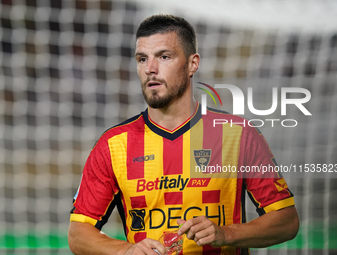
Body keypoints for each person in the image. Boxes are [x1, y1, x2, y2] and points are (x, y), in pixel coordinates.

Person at [68, 14, 299, 255]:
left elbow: (287, 221)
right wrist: (126, 251)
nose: (150, 69)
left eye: (164, 57)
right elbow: (78, 234)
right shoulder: (114, 145)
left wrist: (225, 233)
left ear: (192, 64)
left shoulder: (238, 134)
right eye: (142, 59)